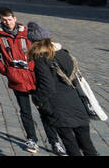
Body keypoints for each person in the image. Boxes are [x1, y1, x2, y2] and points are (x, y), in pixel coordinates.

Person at [0, 8, 63, 154]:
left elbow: (40, 50)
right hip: (16, 77)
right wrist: (6, 71)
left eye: (9, 19)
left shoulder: (27, 33)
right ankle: (32, 139)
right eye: (4, 20)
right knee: (25, 111)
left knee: (44, 110)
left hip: (35, 76)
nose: (7, 22)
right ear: (0, 20)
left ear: (15, 18)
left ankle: (54, 141)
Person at [28, 24, 98, 156]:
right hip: (77, 104)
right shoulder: (64, 53)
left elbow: (47, 86)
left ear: (34, 42)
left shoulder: (41, 58)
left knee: (71, 146)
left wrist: (36, 99)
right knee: (88, 146)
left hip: (58, 108)